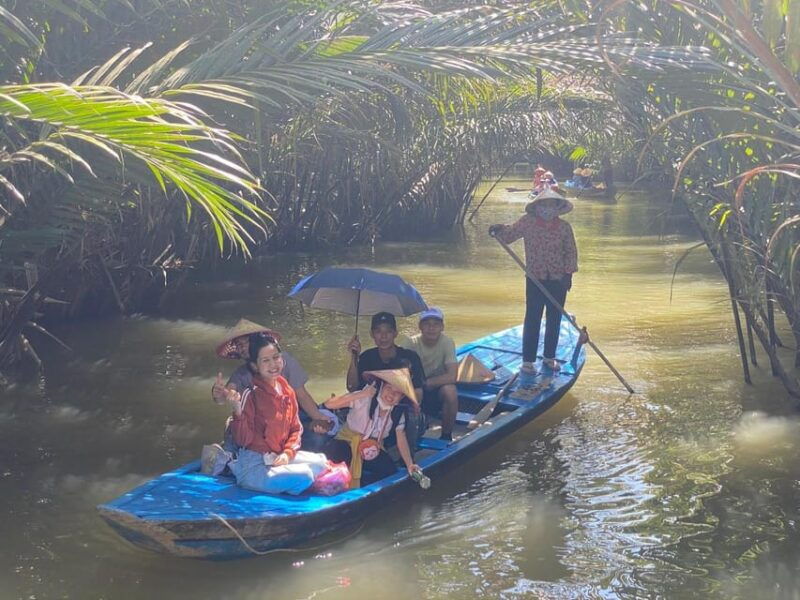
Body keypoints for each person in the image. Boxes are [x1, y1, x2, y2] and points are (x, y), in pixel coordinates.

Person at [222, 334, 330, 495]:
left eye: (276, 357)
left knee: (321, 463)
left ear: (282, 359)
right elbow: (242, 440)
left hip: (276, 456)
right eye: (265, 361)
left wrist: (287, 453)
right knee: (306, 475)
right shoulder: (251, 393)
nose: (273, 364)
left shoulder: (286, 389)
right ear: (255, 366)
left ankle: (284, 478)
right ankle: (248, 476)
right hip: (254, 465)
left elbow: (295, 428)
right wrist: (238, 411)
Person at [488, 188, 578, 375]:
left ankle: (549, 358)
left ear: (557, 207)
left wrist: (568, 275)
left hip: (557, 279)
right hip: (535, 279)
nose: (547, 208)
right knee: (533, 318)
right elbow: (509, 235)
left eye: (551, 205)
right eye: (544, 205)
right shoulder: (527, 222)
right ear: (537, 207)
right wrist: (498, 229)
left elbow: (571, 252)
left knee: (554, 318)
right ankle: (528, 361)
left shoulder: (564, 227)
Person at [212, 319, 334, 453]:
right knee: (235, 438)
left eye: (245, 342)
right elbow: (229, 392)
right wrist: (219, 394)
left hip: (291, 419)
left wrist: (318, 419)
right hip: (259, 429)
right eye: (238, 345)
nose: (241, 348)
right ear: (255, 366)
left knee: (318, 438)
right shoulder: (242, 374)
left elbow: (301, 394)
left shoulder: (283, 363)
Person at [323, 369, 422, 487]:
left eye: (397, 393)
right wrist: (361, 394)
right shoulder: (364, 397)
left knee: (389, 470)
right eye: (388, 388)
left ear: (401, 398)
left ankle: (365, 487)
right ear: (381, 387)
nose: (391, 394)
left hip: (372, 448)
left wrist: (409, 464)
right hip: (346, 442)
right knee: (335, 456)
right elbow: (329, 404)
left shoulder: (398, 412)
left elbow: (401, 438)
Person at [404, 307, 458, 441]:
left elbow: (452, 376)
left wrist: (429, 383)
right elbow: (399, 371)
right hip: (414, 389)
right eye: (427, 324)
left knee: (450, 391)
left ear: (442, 327)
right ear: (420, 327)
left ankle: (446, 435)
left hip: (435, 389)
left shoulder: (447, 342)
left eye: (436, 324)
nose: (431, 328)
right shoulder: (410, 343)